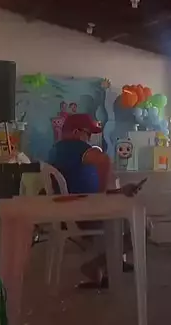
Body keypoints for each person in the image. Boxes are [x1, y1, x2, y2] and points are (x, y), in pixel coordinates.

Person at [48, 113, 142, 288]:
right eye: (88, 133)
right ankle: (98, 265)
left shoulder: (56, 149)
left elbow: (81, 188)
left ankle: (106, 263)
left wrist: (117, 192)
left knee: (127, 214)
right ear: (76, 132)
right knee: (142, 226)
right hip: (85, 212)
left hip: (76, 207)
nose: (90, 139)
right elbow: (104, 161)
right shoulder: (75, 148)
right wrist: (103, 196)